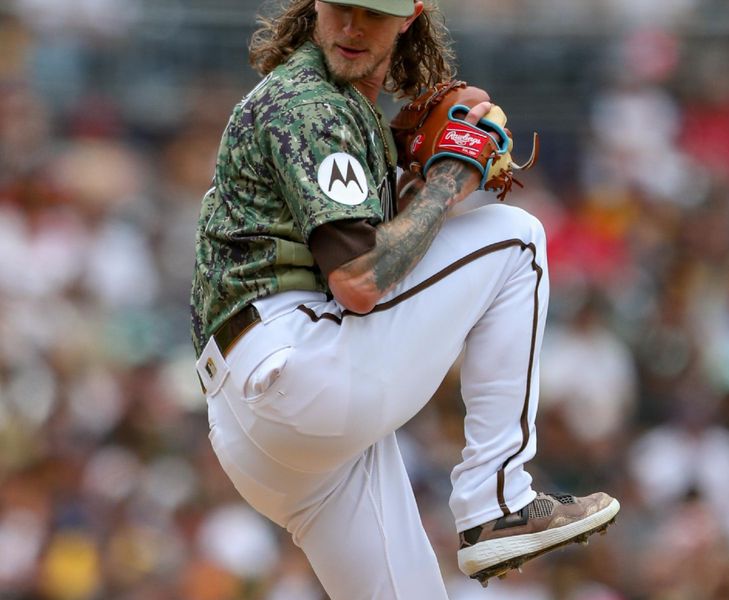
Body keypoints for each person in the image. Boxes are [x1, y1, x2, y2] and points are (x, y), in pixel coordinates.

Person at [190, 0, 620, 597]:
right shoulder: (309, 101)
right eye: (341, 5)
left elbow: (363, 258)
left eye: (374, 11)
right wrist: (448, 181)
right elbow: (360, 281)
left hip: (270, 436)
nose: (352, 25)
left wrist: (408, 185)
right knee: (518, 239)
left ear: (410, 16)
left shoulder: (344, 110)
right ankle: (499, 498)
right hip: (294, 369)